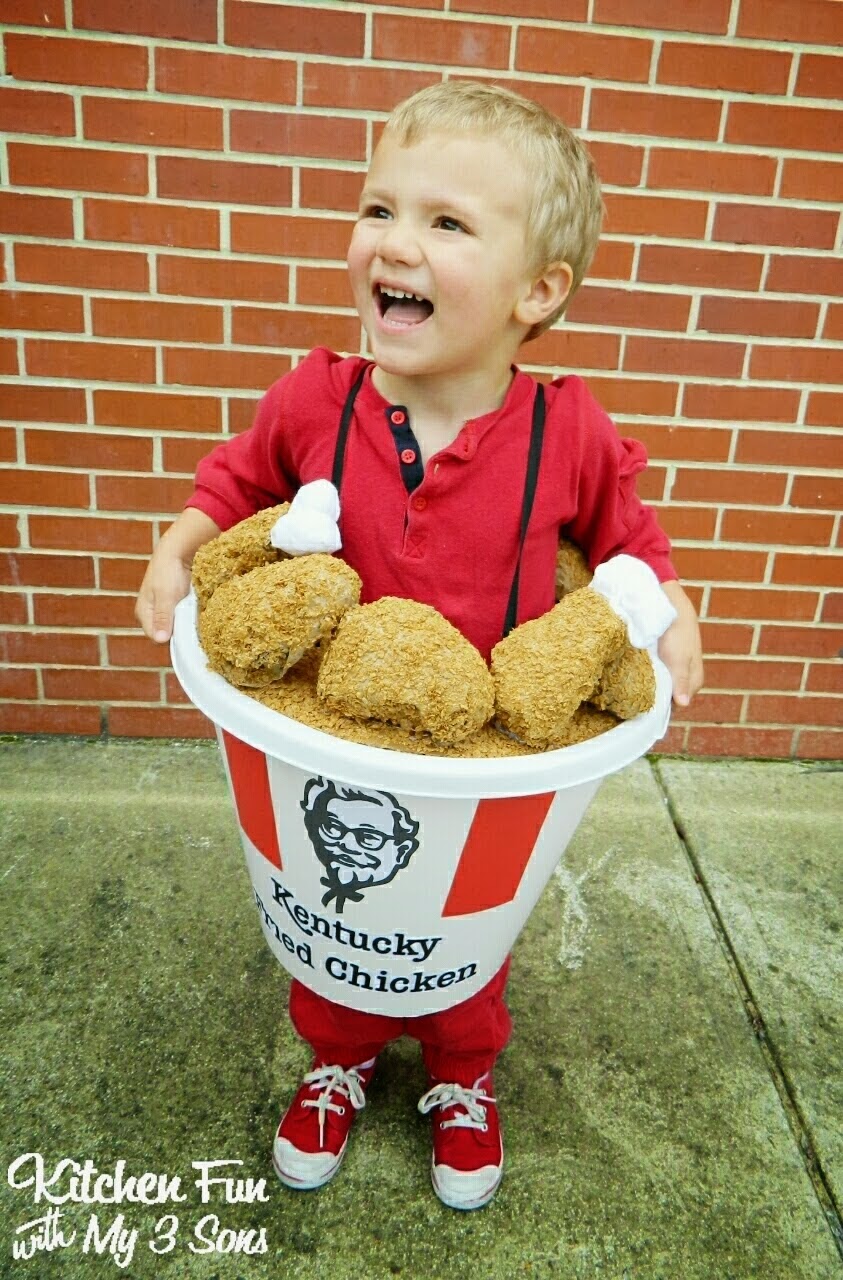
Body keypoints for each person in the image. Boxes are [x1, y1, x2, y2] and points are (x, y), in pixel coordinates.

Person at [135, 80, 704, 1211]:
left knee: (459, 948)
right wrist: (179, 545)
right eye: (378, 208)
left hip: (481, 751)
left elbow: (632, 546)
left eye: (445, 223)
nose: (394, 242)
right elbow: (237, 478)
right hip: (332, 734)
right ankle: (338, 1056)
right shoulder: (317, 398)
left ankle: (460, 1075)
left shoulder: (565, 432)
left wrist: (674, 617)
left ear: (538, 292)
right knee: (341, 935)